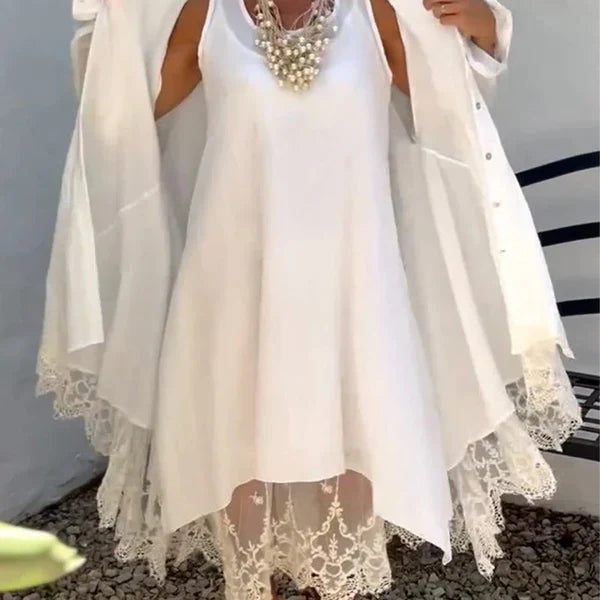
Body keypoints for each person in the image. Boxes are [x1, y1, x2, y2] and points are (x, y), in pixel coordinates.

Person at [36, 0, 582, 598]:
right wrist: (117, 25)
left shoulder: (376, 12)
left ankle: (333, 583)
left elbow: (451, 112)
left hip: (352, 284)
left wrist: (487, 27)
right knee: (237, 445)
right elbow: (122, 120)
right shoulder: (209, 12)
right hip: (233, 285)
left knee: (353, 439)